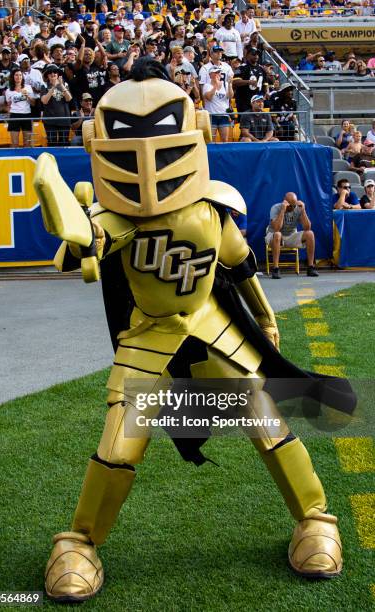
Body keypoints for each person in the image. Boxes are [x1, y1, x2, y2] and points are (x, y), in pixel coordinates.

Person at [34, 58, 349, 603]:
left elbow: (242, 268)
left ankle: (315, 519)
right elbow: (86, 242)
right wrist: (68, 216)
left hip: (213, 328)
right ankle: (80, 540)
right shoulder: (117, 221)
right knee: (119, 446)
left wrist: (267, 322)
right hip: (149, 340)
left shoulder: (212, 208)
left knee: (267, 422)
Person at [265, 192, 319, 279]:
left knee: (310, 234)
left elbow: (307, 227)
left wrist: (303, 211)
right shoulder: (275, 208)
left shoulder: (297, 208)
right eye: (290, 206)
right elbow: (276, 228)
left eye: (294, 206)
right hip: (273, 235)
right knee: (278, 234)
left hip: (291, 236)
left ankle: (310, 267)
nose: (293, 208)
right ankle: (275, 269)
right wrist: (283, 210)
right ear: (285, 202)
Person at [40, 63, 72, 146]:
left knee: (64, 143)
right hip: (50, 120)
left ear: (58, 74)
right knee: (52, 144)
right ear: (47, 75)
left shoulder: (64, 84)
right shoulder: (44, 85)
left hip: (64, 119)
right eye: (50, 72)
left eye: (55, 72)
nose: (53, 74)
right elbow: (44, 101)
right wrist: (53, 87)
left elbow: (69, 98)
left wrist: (60, 85)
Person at [5, 67, 35, 147]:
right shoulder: (8, 91)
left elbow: (33, 103)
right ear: (13, 77)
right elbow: (8, 105)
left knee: (27, 143)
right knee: (14, 143)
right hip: (14, 115)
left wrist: (27, 96)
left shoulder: (28, 87)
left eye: (20, 75)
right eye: (16, 75)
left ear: (22, 76)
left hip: (26, 115)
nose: (18, 77)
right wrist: (8, 117)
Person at [202, 65, 233, 142]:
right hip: (212, 115)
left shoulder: (225, 84)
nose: (218, 74)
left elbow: (230, 96)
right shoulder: (207, 86)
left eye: (219, 72)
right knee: (211, 140)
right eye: (215, 72)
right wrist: (215, 85)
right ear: (210, 75)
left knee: (225, 140)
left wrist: (229, 85)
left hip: (223, 115)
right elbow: (209, 97)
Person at [232, 47, 264, 112]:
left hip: (257, 102)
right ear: (247, 55)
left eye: (257, 54)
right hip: (244, 102)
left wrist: (265, 94)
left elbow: (264, 84)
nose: (256, 56)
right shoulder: (242, 68)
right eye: (254, 54)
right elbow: (235, 82)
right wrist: (249, 82)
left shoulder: (261, 69)